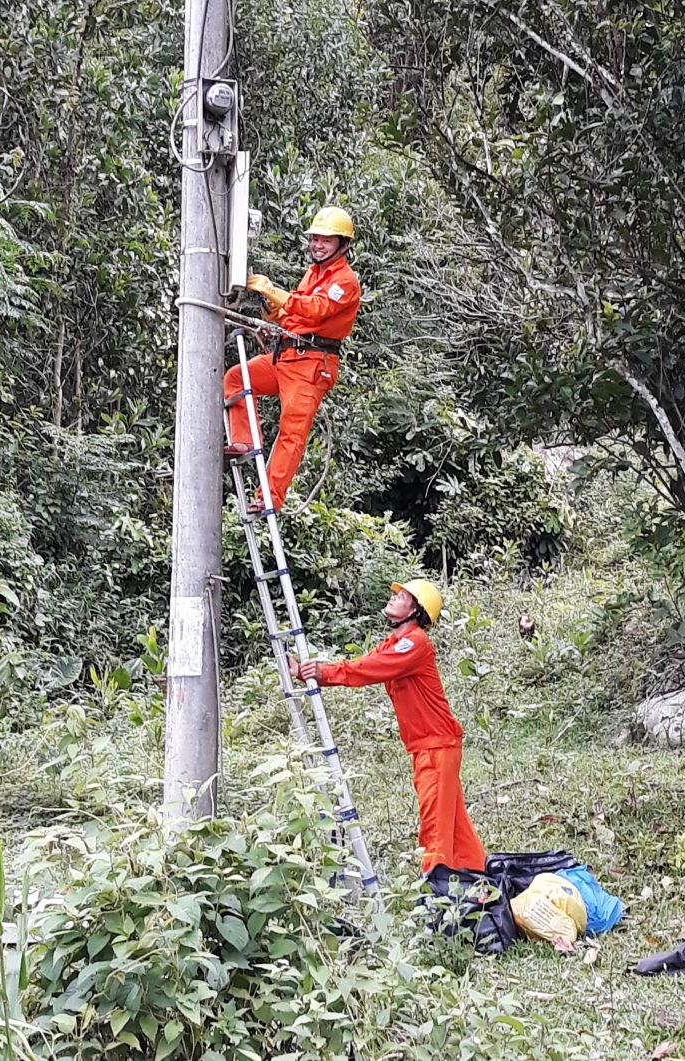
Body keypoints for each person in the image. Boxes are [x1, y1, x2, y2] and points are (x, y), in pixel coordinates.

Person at [289, 579, 486, 875]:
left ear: (416, 611)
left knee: (435, 829)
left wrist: (322, 672)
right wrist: (311, 673)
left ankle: (435, 888)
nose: (394, 598)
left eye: (403, 596)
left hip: (436, 747)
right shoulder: (393, 644)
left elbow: (369, 669)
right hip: (431, 746)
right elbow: (365, 663)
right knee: (456, 828)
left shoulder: (414, 642)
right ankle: (481, 878)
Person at [224, 206, 360, 512]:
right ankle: (245, 440)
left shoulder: (345, 281)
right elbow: (295, 315)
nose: (318, 245)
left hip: (311, 365)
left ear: (342, 244)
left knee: (292, 431)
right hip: (286, 357)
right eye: (315, 239)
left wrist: (275, 292)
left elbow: (316, 309)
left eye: (326, 240)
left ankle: (269, 497)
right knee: (236, 378)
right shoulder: (313, 273)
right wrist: (274, 314)